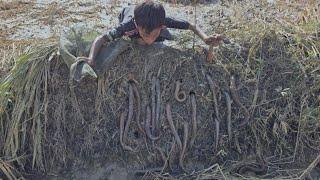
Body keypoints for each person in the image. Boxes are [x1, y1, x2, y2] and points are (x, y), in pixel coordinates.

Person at [87, 0, 224, 66]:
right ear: (138, 26)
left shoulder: (163, 21)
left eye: (154, 34)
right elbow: (101, 38)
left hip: (152, 24)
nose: (150, 40)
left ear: (161, 25)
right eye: (147, 35)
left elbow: (191, 25)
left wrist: (205, 38)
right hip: (127, 13)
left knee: (168, 38)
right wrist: (91, 58)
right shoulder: (127, 26)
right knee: (137, 42)